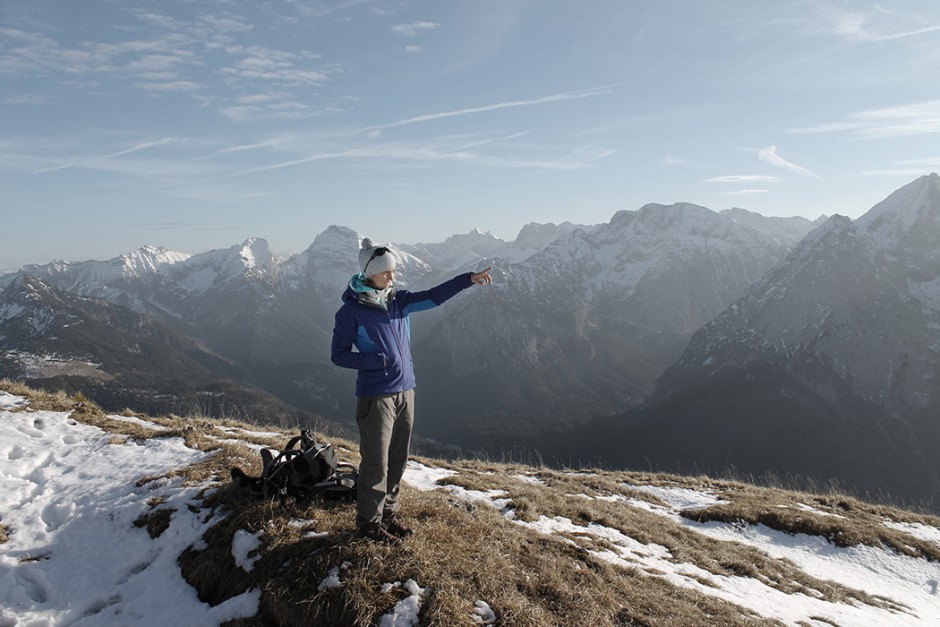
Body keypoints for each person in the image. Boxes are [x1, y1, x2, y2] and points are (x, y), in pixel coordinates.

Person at [330, 237, 492, 545]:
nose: (392, 277)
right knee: (376, 462)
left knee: (398, 458)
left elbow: (434, 297)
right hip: (376, 396)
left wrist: (468, 280)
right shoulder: (351, 312)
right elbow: (338, 354)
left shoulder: (398, 301)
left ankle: (388, 514)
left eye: (392, 271)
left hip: (406, 392)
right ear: (368, 274)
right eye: (385, 272)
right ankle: (368, 524)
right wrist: (375, 361)